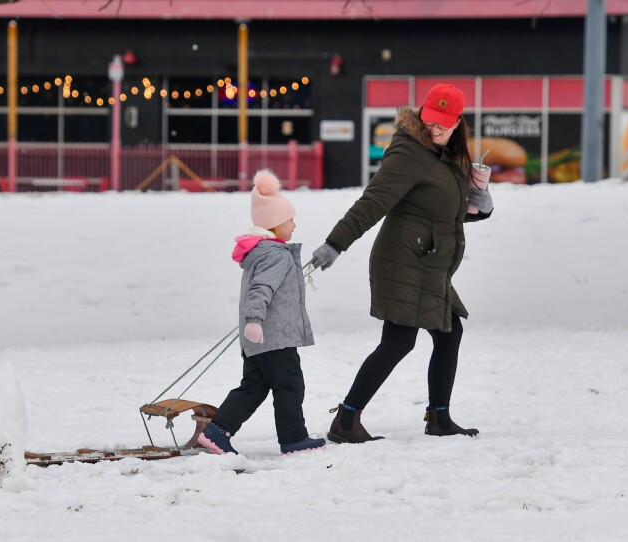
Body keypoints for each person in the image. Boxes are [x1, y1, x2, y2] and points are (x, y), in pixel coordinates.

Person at [311, 83, 493, 443]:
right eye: (430, 120)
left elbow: (442, 210)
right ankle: (346, 420)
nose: (435, 128)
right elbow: (374, 200)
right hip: (403, 260)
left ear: (457, 123)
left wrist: (480, 203)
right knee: (398, 342)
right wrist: (336, 243)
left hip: (430, 263)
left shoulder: (449, 155)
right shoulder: (409, 151)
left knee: (449, 333)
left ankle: (439, 417)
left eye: (443, 123)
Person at [198, 169, 326, 456]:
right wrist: (255, 320)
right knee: (290, 383)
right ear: (274, 225)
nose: (294, 225)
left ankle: (218, 431)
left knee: (255, 385)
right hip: (274, 336)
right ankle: (294, 438)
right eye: (289, 220)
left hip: (260, 338)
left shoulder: (264, 252)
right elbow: (260, 290)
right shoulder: (275, 255)